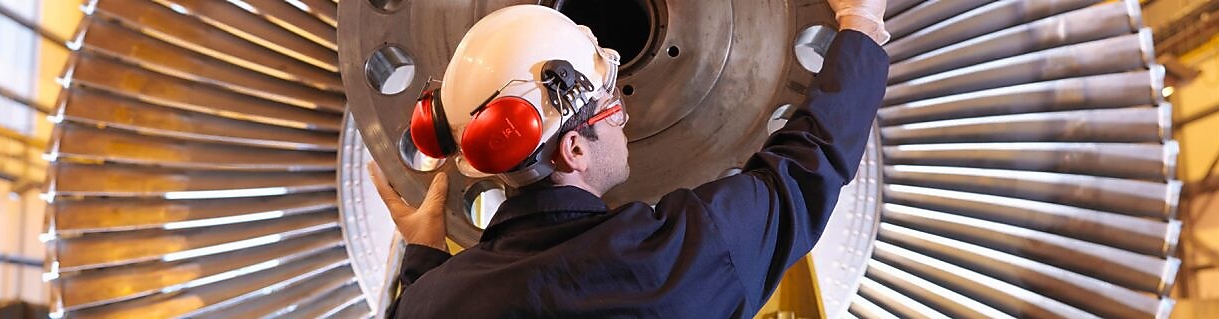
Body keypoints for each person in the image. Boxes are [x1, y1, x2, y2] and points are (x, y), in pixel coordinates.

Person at [369, 0, 890, 317]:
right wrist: (860, 25)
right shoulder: (679, 261)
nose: (623, 117)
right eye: (608, 106)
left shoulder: (432, 304)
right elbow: (803, 173)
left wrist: (424, 260)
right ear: (572, 150)